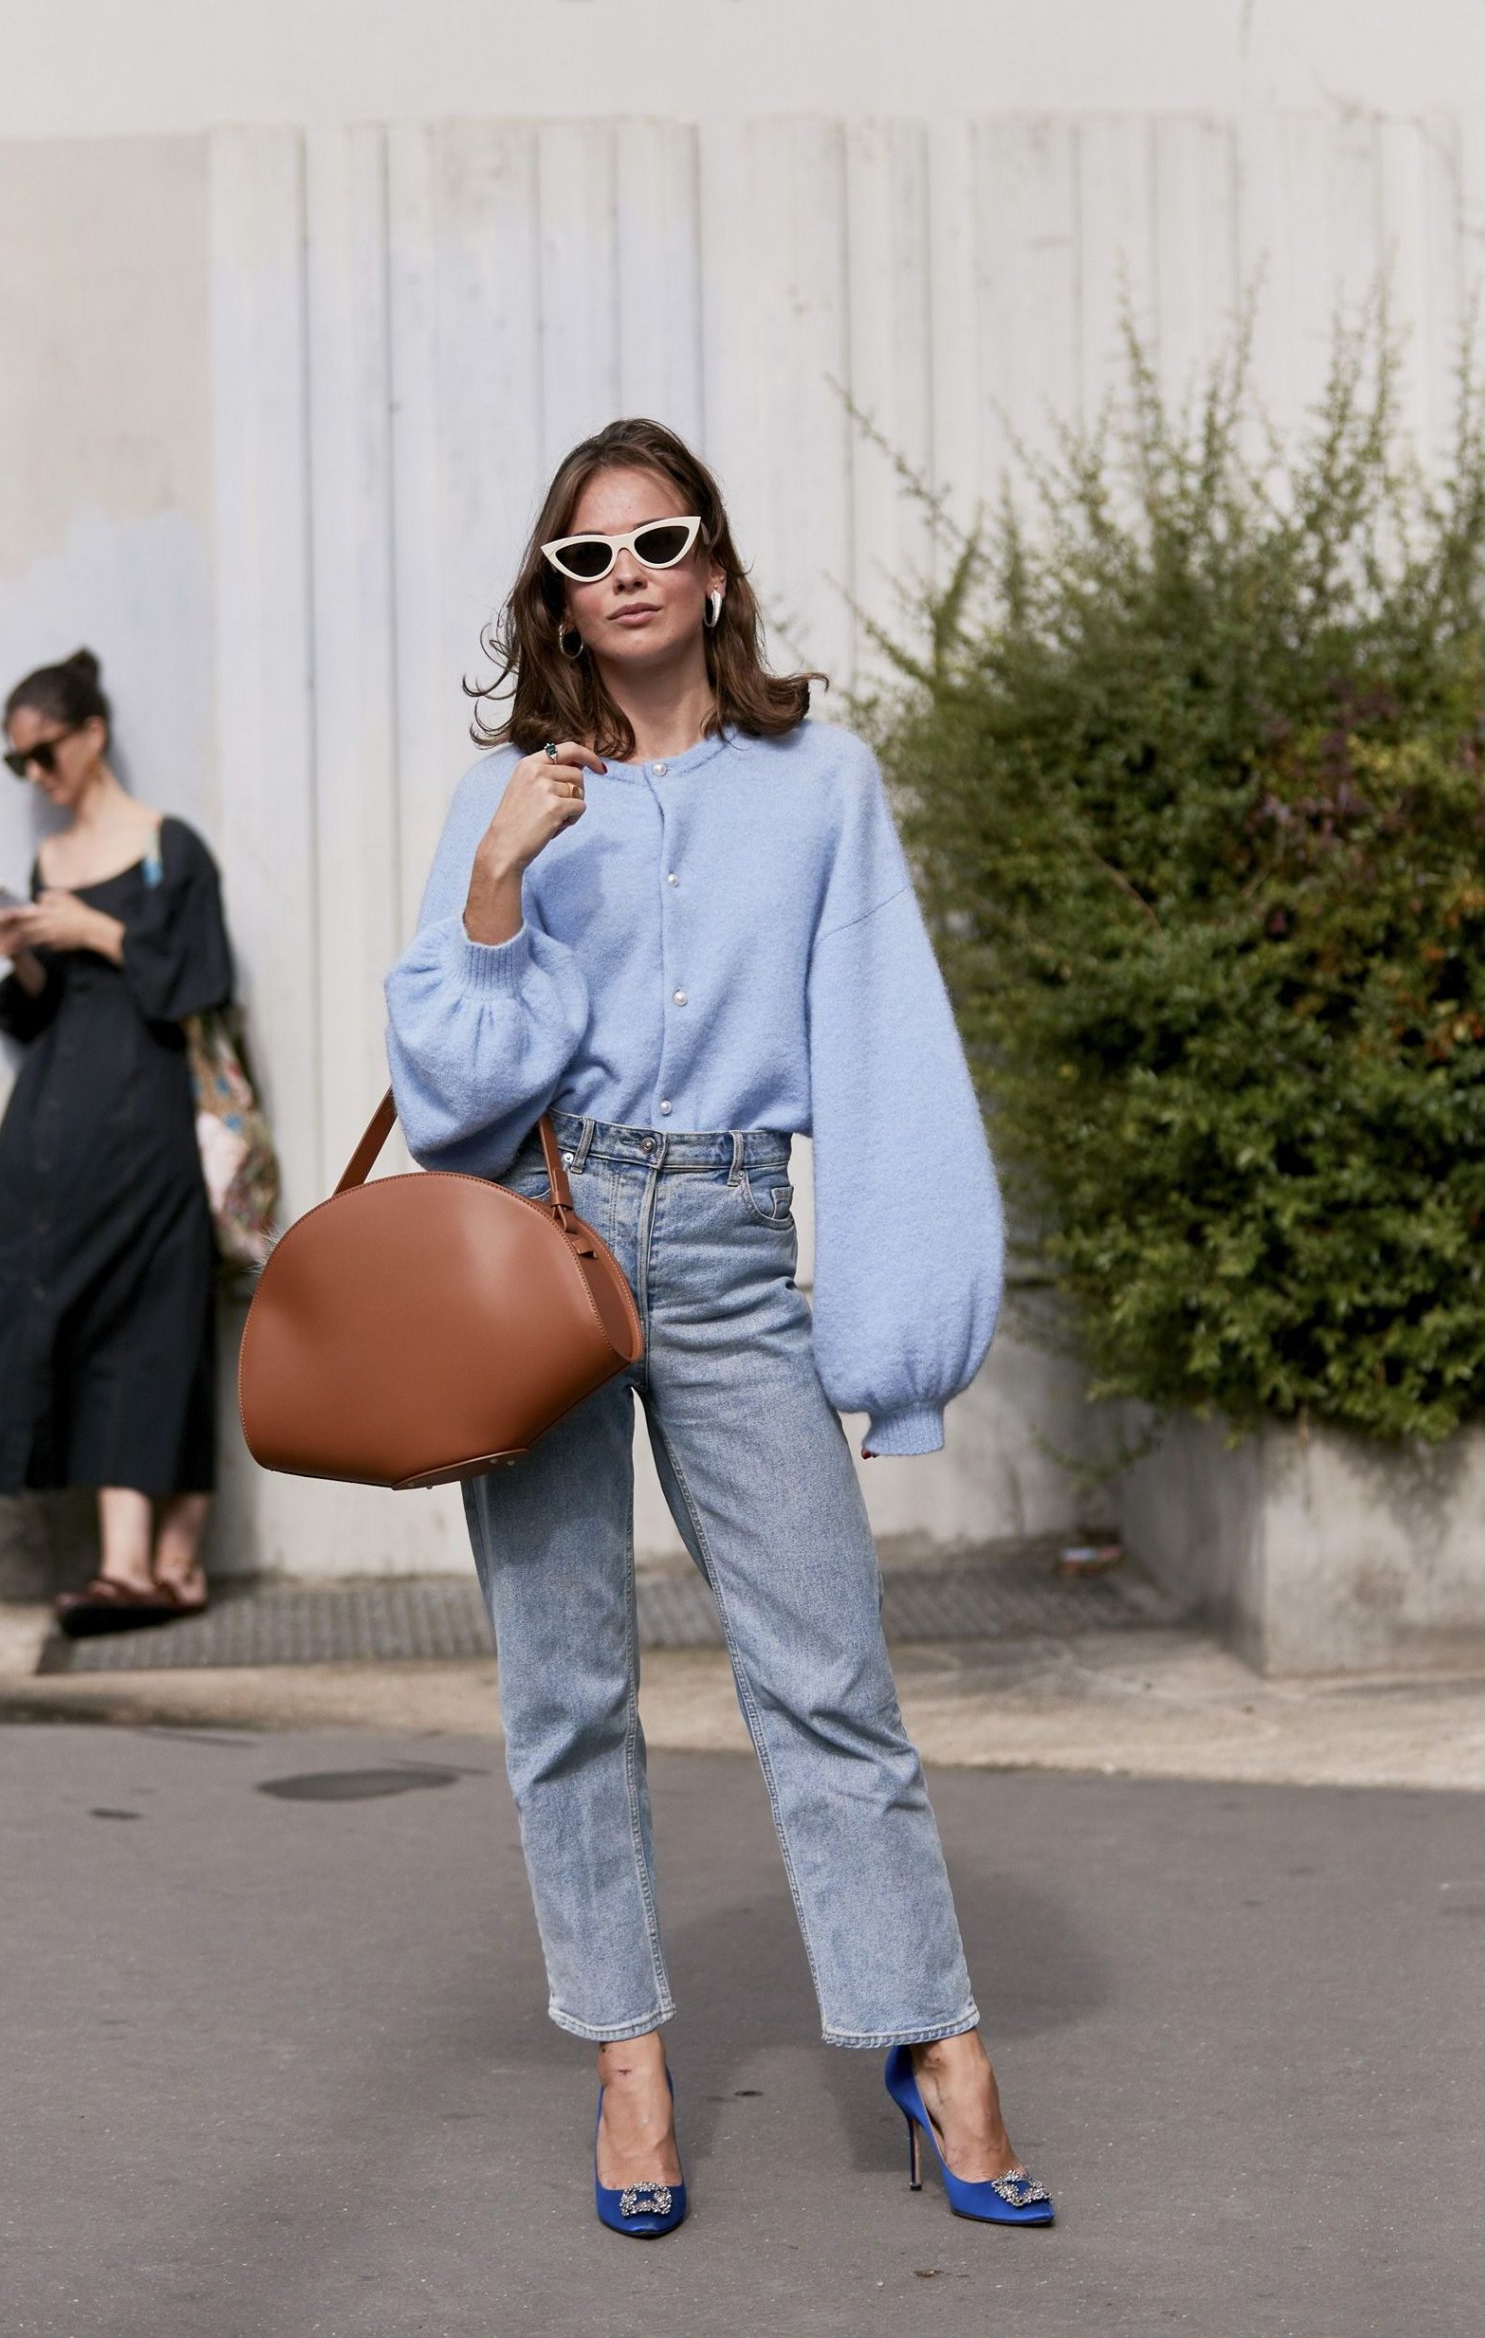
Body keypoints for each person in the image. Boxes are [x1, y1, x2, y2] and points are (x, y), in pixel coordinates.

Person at [383, 419, 1053, 2238]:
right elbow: (444, 1092)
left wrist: (895, 1347)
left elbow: (885, 1060)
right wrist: (497, 885)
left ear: (715, 564)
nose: (626, 577)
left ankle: (934, 2040)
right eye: (586, 558)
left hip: (739, 1242)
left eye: (656, 540)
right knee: (565, 1686)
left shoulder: (821, 783)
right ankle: (626, 2061)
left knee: (828, 1676)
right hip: (546, 1238)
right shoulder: (507, 792)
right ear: (556, 595)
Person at [0, 647, 234, 1637]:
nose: (35, 775)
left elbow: (201, 981)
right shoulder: (48, 863)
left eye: (42, 752)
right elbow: (41, 1016)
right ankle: (127, 1569)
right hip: (52, 1137)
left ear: (91, 734)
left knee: (156, 1328)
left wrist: (97, 930)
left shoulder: (170, 847)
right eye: (16, 763)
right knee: (58, 1320)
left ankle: (159, 1566)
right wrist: (30, 955)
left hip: (149, 1123)